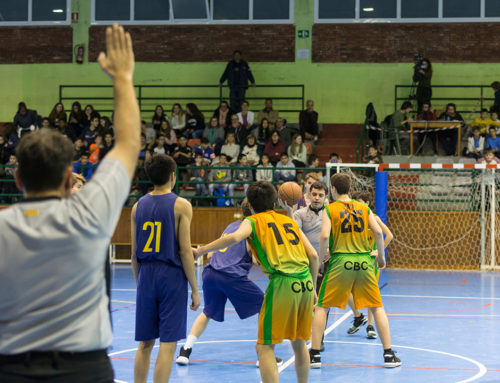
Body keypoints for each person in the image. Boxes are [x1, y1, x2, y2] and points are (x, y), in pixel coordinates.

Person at [0, 24, 140, 382]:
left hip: (13, 367)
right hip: (83, 368)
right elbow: (127, 145)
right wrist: (122, 78)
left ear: (17, 179)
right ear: (69, 178)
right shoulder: (89, 213)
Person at [193, 181, 318, 383]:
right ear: (275, 202)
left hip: (283, 283)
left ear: (250, 205)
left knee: (264, 346)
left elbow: (233, 238)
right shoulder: (289, 220)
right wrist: (312, 289)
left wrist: (200, 250)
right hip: (305, 282)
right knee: (299, 342)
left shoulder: (251, 221)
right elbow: (312, 255)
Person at [310, 173, 401, 369]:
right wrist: (381, 257)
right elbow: (378, 232)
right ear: (350, 188)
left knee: (321, 307)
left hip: (340, 261)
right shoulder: (364, 207)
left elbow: (325, 235)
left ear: (332, 189)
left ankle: (315, 355)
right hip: (364, 262)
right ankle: (388, 355)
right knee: (377, 308)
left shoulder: (329, 209)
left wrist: (319, 261)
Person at [176, 199, 278, 365]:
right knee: (267, 307)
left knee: (207, 312)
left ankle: (185, 351)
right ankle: (265, 356)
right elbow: (255, 260)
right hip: (231, 276)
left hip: (210, 273)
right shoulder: (253, 229)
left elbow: (210, 255)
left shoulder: (231, 226)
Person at [131, 154, 200, 383]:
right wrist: (195, 288)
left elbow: (134, 254)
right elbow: (184, 251)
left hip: (146, 274)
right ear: (173, 176)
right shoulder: (181, 205)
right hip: (170, 276)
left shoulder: (137, 206)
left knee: (145, 344)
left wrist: (140, 282)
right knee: (168, 344)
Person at [347, 190, 393, 340]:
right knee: (347, 289)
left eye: (359, 201)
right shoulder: (352, 219)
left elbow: (389, 235)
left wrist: (378, 252)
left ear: (366, 204)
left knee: (370, 294)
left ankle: (370, 326)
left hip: (370, 262)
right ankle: (358, 316)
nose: (356, 204)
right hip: (355, 259)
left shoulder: (374, 218)